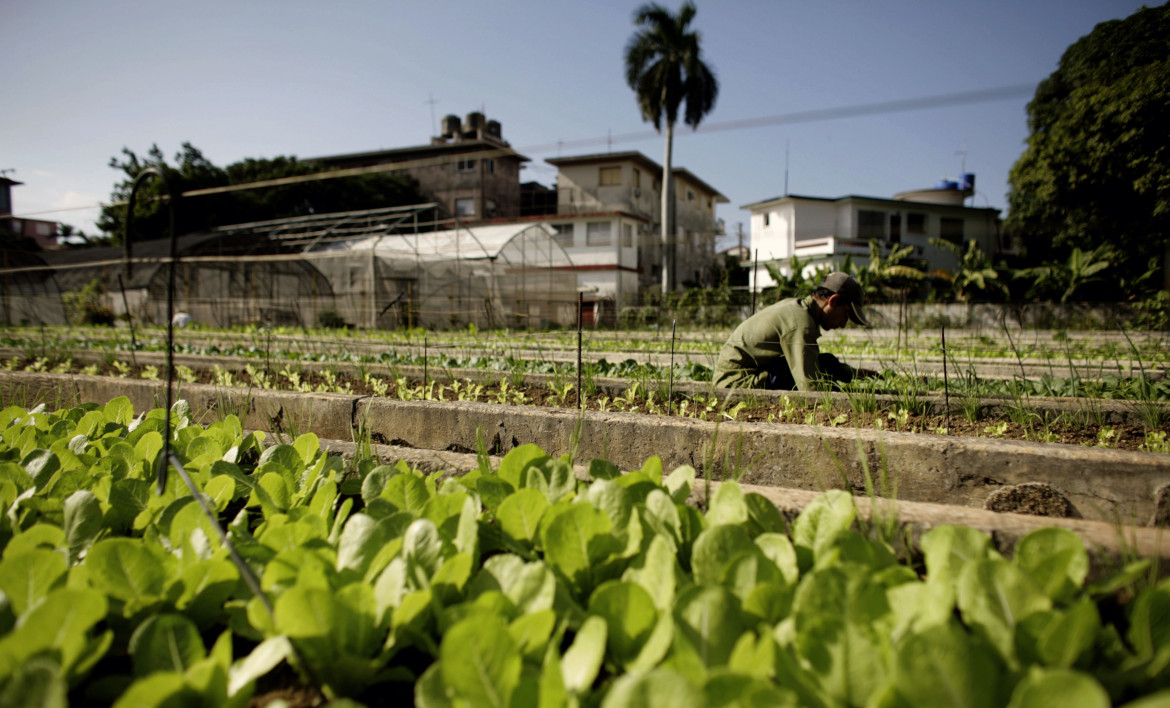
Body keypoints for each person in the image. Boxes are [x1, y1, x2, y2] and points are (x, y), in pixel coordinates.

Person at [713, 272, 871, 391]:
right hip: (734, 382)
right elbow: (809, 386)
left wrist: (853, 373)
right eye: (846, 315)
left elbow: (814, 363)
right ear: (833, 301)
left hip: (744, 373)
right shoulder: (800, 324)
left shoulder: (797, 308)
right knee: (817, 379)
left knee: (826, 363)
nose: (844, 324)